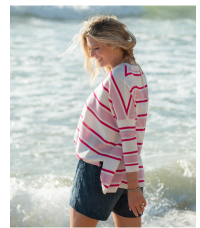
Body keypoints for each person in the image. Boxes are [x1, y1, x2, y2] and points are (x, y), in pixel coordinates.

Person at [68, 15, 149, 227]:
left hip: (99, 170)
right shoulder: (135, 72)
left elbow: (128, 135)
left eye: (96, 48)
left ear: (113, 44)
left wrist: (134, 189)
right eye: (90, 49)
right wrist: (133, 185)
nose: (93, 56)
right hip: (126, 171)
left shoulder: (118, 78)